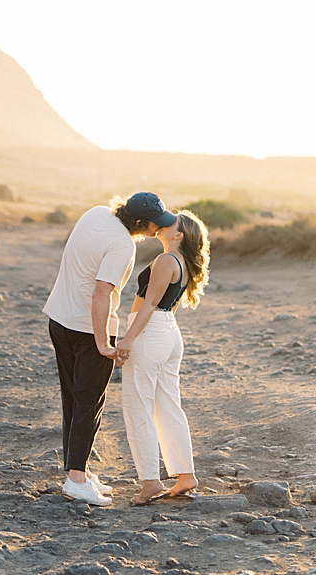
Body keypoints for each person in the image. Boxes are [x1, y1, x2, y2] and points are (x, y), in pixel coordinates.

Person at [43, 191, 176, 506]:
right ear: (141, 222)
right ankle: (76, 479)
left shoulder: (96, 212)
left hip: (59, 318)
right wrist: (103, 342)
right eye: (155, 226)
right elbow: (101, 293)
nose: (158, 231)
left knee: (73, 400)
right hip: (88, 328)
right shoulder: (123, 245)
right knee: (90, 403)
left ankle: (81, 472)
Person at [117, 209, 209, 505]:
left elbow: (151, 303)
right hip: (169, 332)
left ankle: (150, 482)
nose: (165, 224)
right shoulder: (182, 262)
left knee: (138, 408)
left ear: (177, 234)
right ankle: (185, 475)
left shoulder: (165, 260)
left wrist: (129, 338)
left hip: (150, 332)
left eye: (172, 223)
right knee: (168, 406)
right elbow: (167, 306)